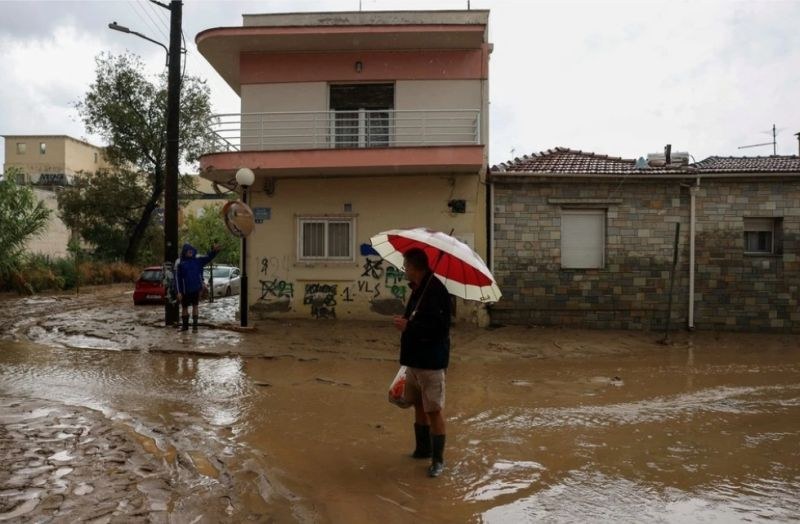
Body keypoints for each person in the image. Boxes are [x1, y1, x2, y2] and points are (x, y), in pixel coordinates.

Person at [393, 248, 451, 478]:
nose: (404, 270)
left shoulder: (437, 291)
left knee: (434, 409)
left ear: (413, 267)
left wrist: (409, 326)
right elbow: (416, 320)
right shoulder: (419, 289)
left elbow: (440, 329)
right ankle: (422, 450)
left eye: (405, 266)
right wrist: (406, 322)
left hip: (431, 361)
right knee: (418, 404)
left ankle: (438, 461)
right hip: (414, 359)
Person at [175, 243, 221, 332]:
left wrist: (214, 251)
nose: (190, 252)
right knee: (184, 308)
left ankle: (195, 327)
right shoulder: (180, 262)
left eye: (191, 251)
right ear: (184, 252)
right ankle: (185, 327)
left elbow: (208, 257)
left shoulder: (198, 260)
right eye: (188, 251)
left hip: (196, 289)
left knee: (195, 306)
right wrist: (178, 291)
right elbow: (177, 278)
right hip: (185, 290)